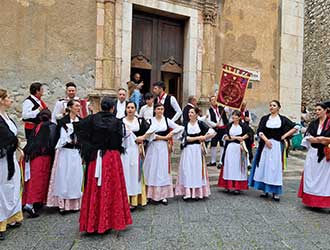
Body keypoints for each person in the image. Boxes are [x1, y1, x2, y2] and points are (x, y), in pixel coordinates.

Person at [74, 96, 132, 234]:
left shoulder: (92, 119)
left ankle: (93, 222)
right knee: (112, 188)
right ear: (113, 108)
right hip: (111, 157)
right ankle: (108, 221)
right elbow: (119, 141)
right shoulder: (117, 122)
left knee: (95, 187)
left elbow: (78, 129)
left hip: (96, 157)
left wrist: (89, 147)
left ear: (101, 106)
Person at [249, 100, 298, 202]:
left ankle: (275, 192)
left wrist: (284, 136)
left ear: (278, 108)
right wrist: (266, 140)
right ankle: (265, 190)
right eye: (270, 105)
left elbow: (296, 127)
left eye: (274, 105)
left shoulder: (283, 119)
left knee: (275, 168)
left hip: (276, 146)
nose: (271, 107)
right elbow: (260, 131)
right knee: (264, 166)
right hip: (265, 146)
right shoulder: (265, 118)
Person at [137, 103, 183, 205]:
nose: (160, 111)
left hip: (163, 148)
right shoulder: (150, 121)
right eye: (158, 109)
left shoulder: (166, 120)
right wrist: (164, 137)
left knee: (162, 169)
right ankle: (149, 195)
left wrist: (171, 134)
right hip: (153, 147)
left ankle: (163, 196)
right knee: (151, 169)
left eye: (162, 109)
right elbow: (149, 135)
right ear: (155, 110)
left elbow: (180, 128)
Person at [47, 99, 84, 213]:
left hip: (76, 151)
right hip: (65, 151)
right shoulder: (62, 121)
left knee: (75, 177)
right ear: (70, 107)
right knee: (64, 176)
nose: (78, 108)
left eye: (79, 106)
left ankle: (74, 204)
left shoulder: (81, 121)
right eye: (76, 106)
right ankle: (62, 204)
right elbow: (61, 137)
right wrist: (70, 139)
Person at [22, 109, 57, 218]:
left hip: (32, 155)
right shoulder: (50, 126)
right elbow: (52, 141)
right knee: (39, 180)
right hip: (43, 156)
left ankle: (32, 202)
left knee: (32, 179)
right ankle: (31, 203)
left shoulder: (37, 126)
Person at [175, 107, 215, 200]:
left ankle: (198, 193)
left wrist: (204, 137)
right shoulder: (185, 125)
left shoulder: (201, 124)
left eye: (192, 112)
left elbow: (212, 132)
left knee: (197, 170)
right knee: (187, 169)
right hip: (188, 149)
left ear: (197, 114)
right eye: (189, 112)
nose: (190, 114)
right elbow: (183, 138)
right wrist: (198, 138)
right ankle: (188, 192)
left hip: (197, 150)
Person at [0, 89, 23, 240]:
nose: (11, 100)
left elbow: (13, 136)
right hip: (2, 158)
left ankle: (11, 216)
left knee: (12, 185)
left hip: (10, 156)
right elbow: (6, 136)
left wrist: (19, 147)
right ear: (1, 100)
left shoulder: (7, 117)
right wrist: (16, 143)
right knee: (2, 187)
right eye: (8, 97)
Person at [298, 102, 330, 208]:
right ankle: (312, 201)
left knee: (325, 179)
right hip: (313, 152)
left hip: (325, 154)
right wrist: (317, 140)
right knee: (311, 175)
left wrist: (325, 140)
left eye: (319, 109)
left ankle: (324, 202)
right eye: (316, 110)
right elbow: (307, 136)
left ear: (326, 110)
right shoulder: (313, 123)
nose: (317, 112)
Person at [121, 102, 150, 210]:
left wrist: (142, 138)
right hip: (124, 151)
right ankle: (125, 200)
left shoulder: (140, 121)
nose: (130, 109)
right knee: (125, 174)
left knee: (135, 174)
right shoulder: (120, 121)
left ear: (135, 109)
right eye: (128, 107)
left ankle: (134, 200)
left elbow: (149, 131)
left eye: (132, 107)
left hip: (135, 150)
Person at [218, 110, 252, 194]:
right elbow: (225, 137)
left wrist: (243, 138)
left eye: (236, 115)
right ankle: (228, 185)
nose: (233, 117)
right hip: (230, 148)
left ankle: (238, 186)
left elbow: (250, 132)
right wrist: (236, 138)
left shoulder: (243, 126)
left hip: (239, 148)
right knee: (229, 165)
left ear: (239, 117)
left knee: (238, 166)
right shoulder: (229, 126)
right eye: (233, 115)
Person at [206, 96, 229, 168]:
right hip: (215, 129)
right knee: (213, 144)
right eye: (212, 100)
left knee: (222, 144)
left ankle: (221, 161)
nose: (214, 101)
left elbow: (227, 110)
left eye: (215, 99)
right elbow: (208, 120)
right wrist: (215, 124)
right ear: (210, 101)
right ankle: (213, 161)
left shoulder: (222, 108)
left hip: (223, 128)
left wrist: (226, 103)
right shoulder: (208, 110)